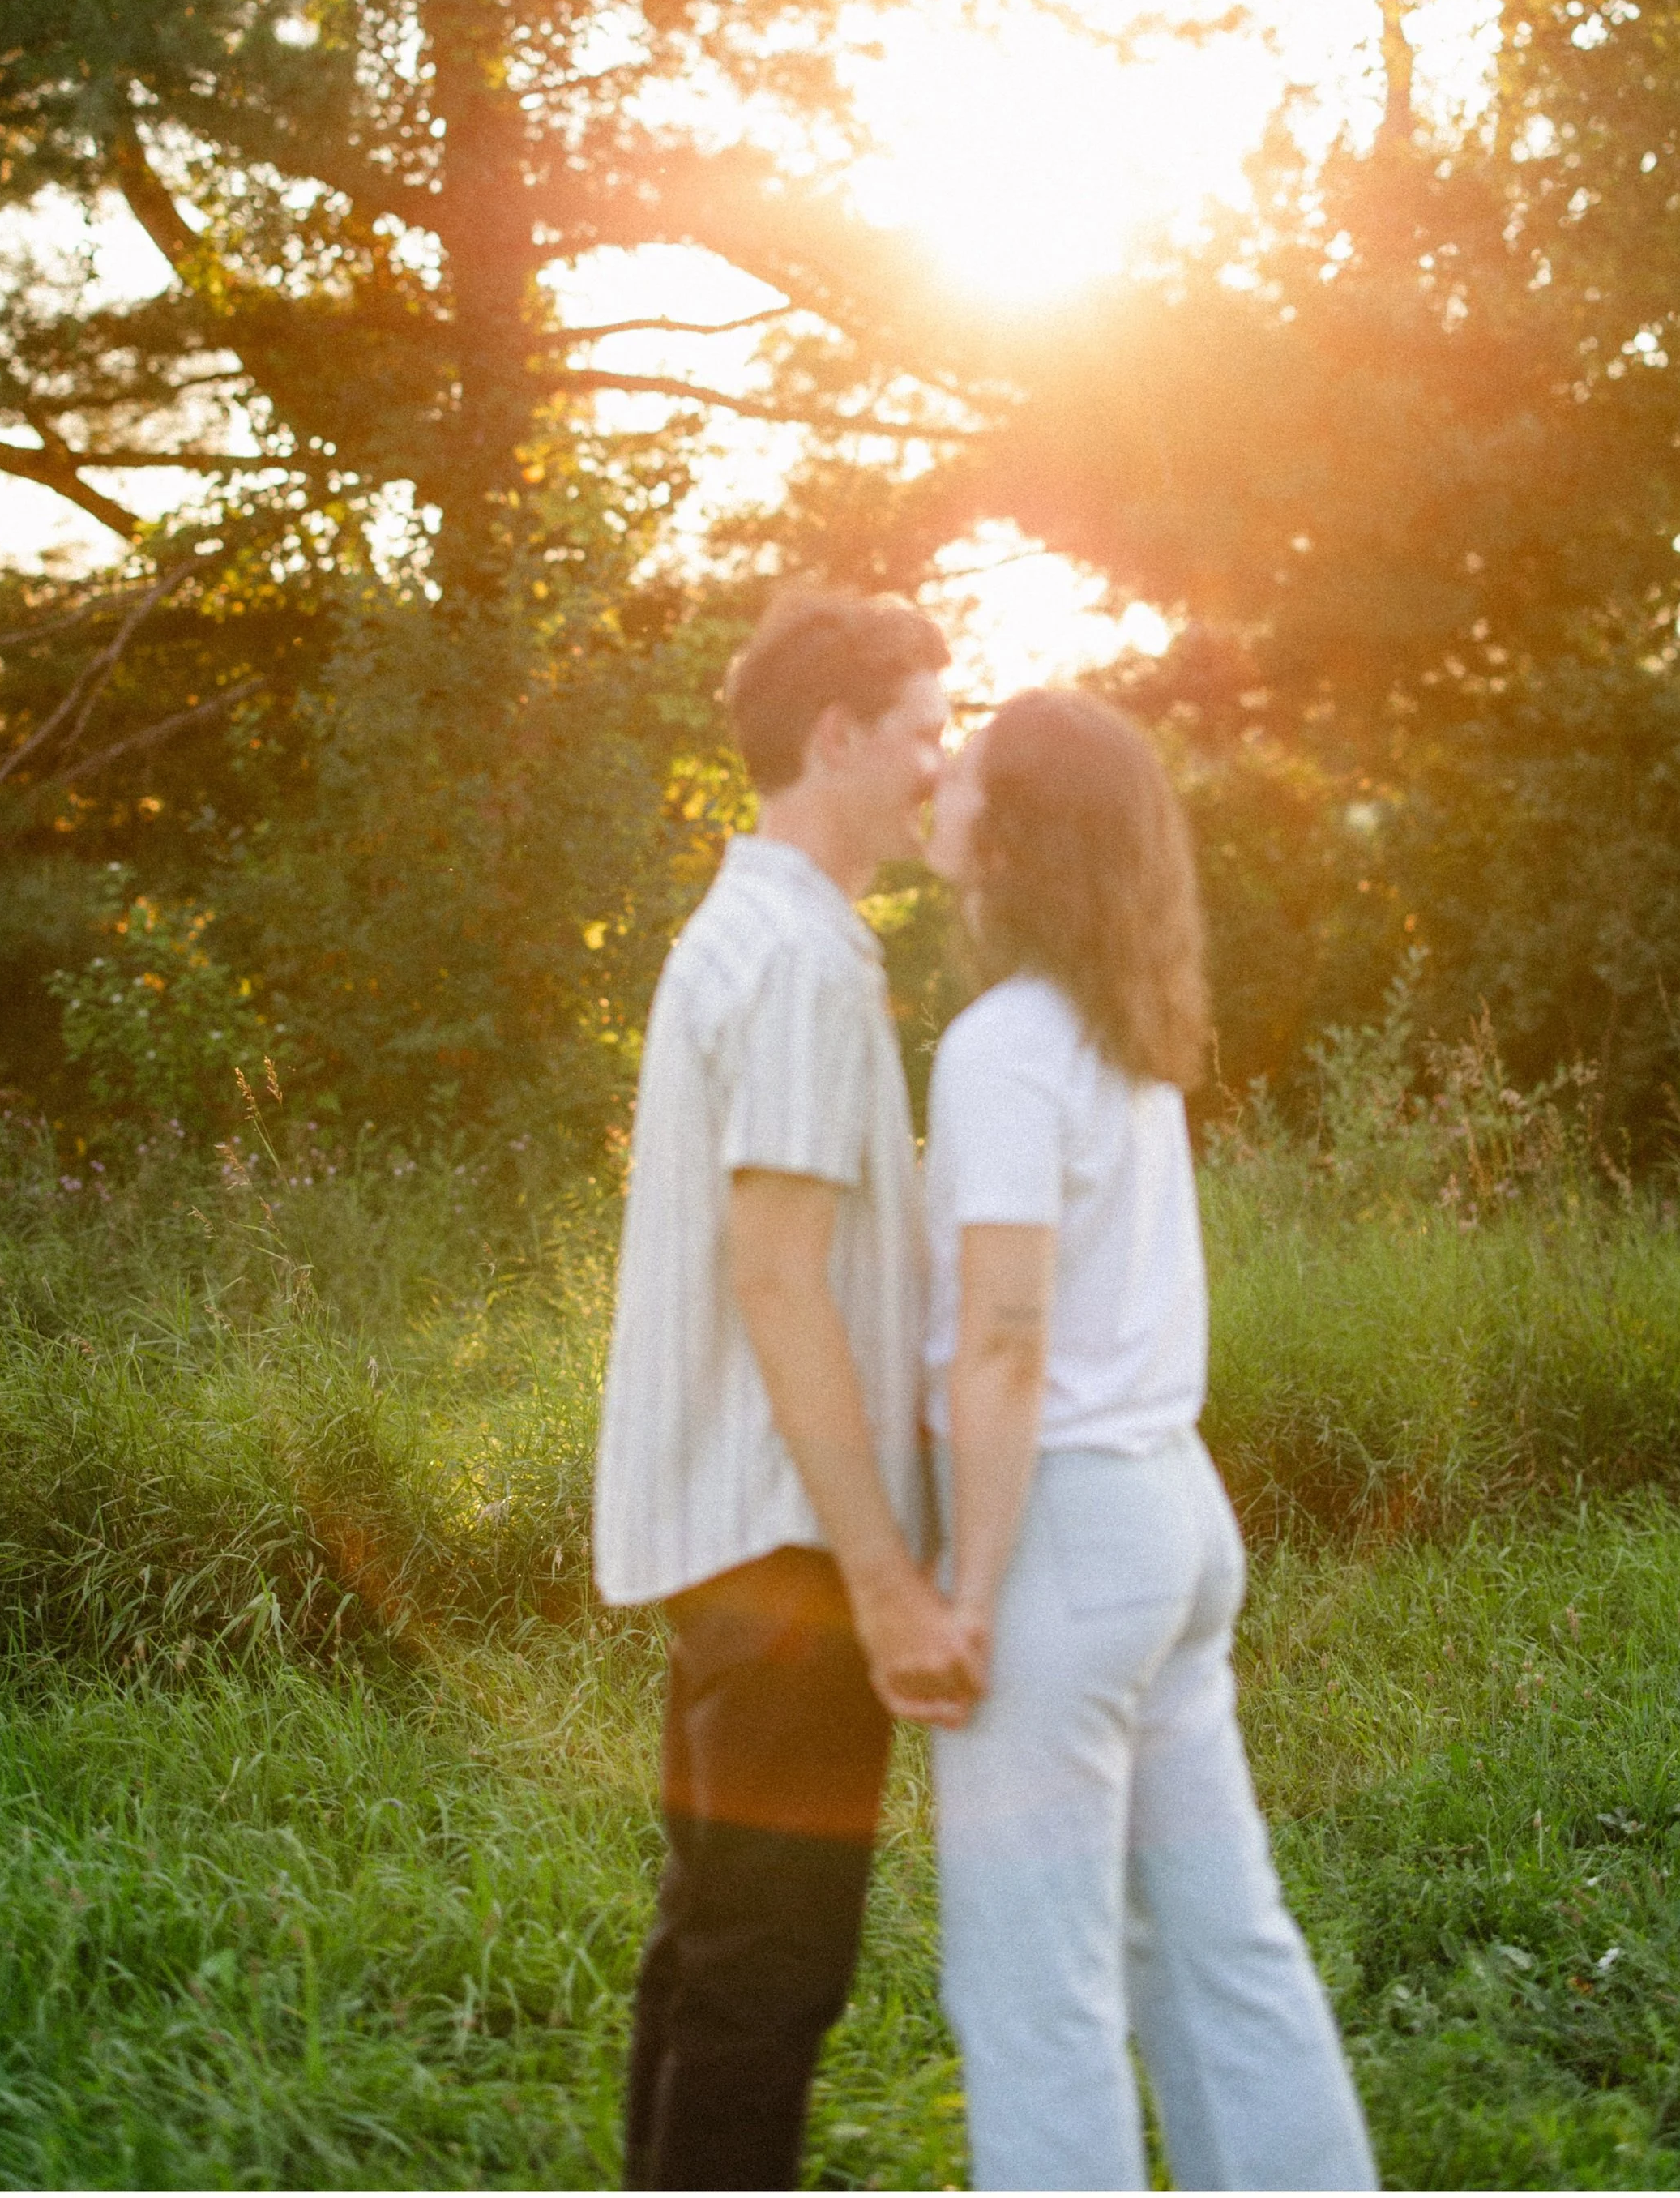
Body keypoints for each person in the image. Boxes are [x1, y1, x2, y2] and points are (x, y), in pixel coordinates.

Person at [924, 687, 1379, 2194]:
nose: (944, 780)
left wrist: (966, 1592)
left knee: (1033, 1997)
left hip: (1062, 1536)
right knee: (1221, 1948)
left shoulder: (1003, 1045)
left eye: (969, 769)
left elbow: (1004, 1335)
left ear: (1014, 829)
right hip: (1176, 1522)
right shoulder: (1122, 1031)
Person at [593, 586, 976, 2193]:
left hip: (720, 1527)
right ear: (837, 734)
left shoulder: (738, 926)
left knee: (709, 1943)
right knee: (769, 1968)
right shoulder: (806, 958)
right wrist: (886, 1578)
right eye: (918, 729)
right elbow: (773, 1273)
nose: (936, 766)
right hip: (791, 1544)